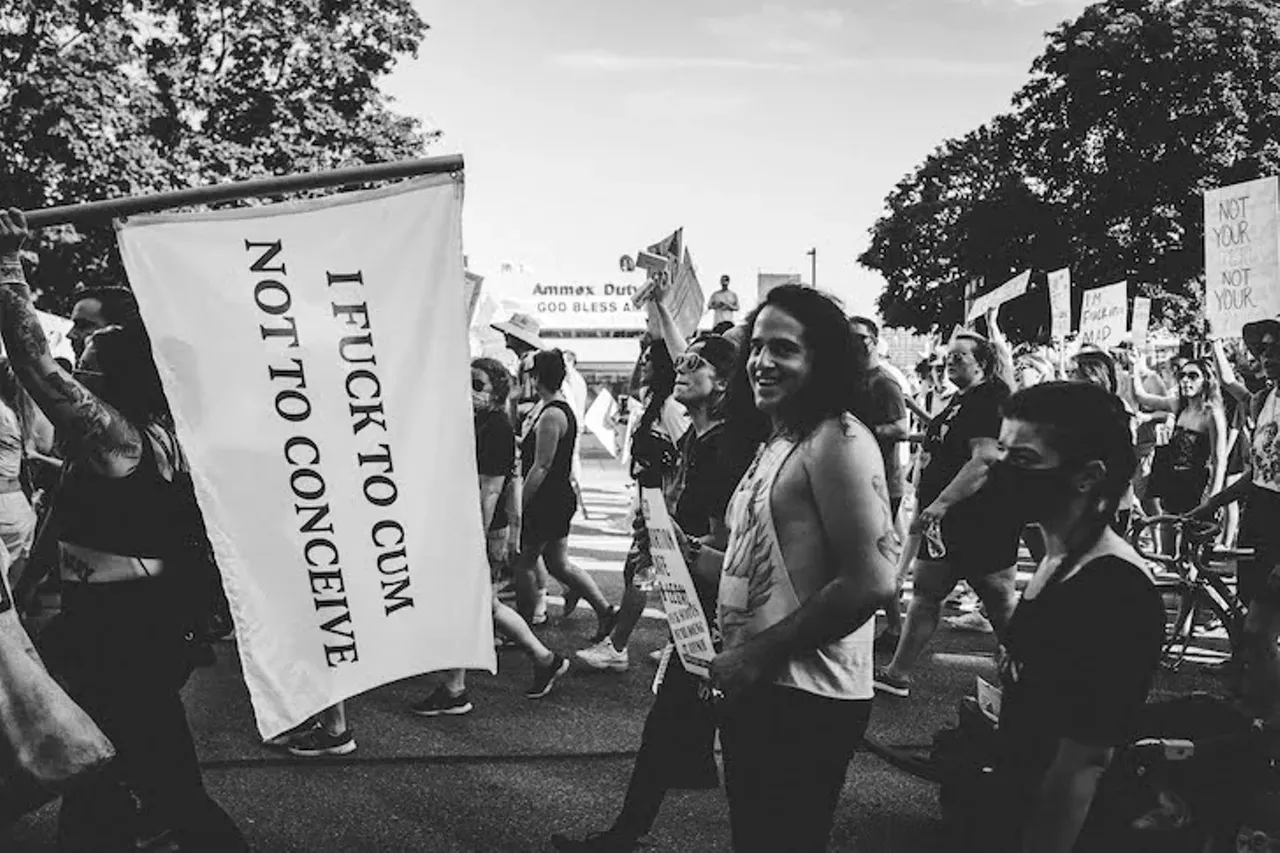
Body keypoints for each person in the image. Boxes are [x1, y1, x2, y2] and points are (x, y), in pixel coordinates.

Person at [0, 208, 246, 850]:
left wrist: (8, 266)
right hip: (119, 620)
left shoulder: (122, 440)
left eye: (90, 361)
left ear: (123, 378)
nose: (78, 369)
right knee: (98, 767)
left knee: (156, 770)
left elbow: (35, 366)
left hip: (126, 631)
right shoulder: (152, 435)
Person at [673, 284, 899, 853]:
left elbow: (871, 580)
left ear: (821, 360)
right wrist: (686, 554)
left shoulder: (838, 440)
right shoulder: (782, 440)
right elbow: (765, 568)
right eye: (757, 346)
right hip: (764, 689)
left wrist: (755, 655)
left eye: (785, 349)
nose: (763, 361)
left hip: (806, 698)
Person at [554, 333, 752, 851]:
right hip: (697, 605)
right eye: (681, 362)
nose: (682, 369)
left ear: (724, 382)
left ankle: (628, 832)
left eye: (696, 364)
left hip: (717, 614)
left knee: (727, 736)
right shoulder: (697, 435)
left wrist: (673, 543)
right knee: (676, 727)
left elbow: (725, 543)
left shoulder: (725, 446)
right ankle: (629, 829)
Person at [977, 381, 1164, 851]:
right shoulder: (1060, 555)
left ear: (1087, 476)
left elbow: (1084, 764)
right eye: (1002, 452)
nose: (1000, 470)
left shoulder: (1114, 590)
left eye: (1023, 460)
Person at [411, 359, 571, 714]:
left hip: (480, 529)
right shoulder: (480, 421)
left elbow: (490, 490)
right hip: (469, 526)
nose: (471, 390)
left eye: (479, 384)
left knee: (468, 605)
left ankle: (456, 689)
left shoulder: (496, 426)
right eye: (467, 381)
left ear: (497, 390)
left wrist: (474, 540)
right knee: (482, 605)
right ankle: (542, 660)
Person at [874, 331, 1022, 699]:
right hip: (945, 522)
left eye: (960, 356)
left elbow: (985, 458)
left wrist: (940, 503)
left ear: (982, 364)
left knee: (999, 599)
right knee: (926, 593)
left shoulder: (991, 398)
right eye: (948, 356)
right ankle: (898, 673)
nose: (949, 362)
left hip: (982, 518)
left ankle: (1027, 673)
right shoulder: (960, 399)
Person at [1189, 315, 1280, 726]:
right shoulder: (1266, 400)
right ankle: (1253, 707)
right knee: (1252, 623)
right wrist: (1211, 504)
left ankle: (1266, 716)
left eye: (1276, 347)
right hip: (1259, 517)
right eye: (1263, 350)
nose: (1268, 357)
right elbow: (1258, 474)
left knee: (1261, 629)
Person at [512, 349, 617, 635]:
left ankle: (522, 626)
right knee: (558, 564)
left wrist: (520, 505)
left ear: (536, 378)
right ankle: (605, 611)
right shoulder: (552, 408)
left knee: (523, 564)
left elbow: (542, 466)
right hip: (558, 496)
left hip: (547, 499)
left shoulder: (551, 414)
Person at [1131, 355, 1228, 516]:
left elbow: (1220, 462)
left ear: (1206, 380)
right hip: (1172, 482)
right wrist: (1134, 365)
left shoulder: (1212, 414)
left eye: (1193, 376)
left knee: (1191, 536)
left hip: (1196, 486)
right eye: (1182, 375)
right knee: (1166, 529)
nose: (1185, 380)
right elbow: (1142, 397)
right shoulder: (1179, 405)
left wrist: (1212, 500)